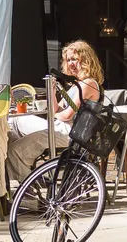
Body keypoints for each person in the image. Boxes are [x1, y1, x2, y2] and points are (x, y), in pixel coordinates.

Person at [6, 39, 105, 183]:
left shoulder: (88, 84)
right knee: (15, 121)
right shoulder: (75, 84)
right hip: (59, 127)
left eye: (75, 59)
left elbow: (66, 115)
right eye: (68, 59)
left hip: (71, 134)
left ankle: (30, 191)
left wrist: (53, 114)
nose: (71, 63)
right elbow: (56, 110)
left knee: (14, 151)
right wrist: (52, 91)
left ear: (86, 60)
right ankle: (9, 167)